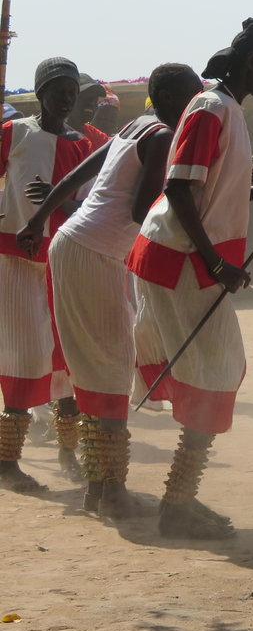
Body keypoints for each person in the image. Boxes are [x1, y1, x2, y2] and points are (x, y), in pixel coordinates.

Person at [125, 19, 253, 538]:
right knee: (217, 372)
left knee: (215, 372)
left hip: (190, 258)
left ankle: (179, 500)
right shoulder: (209, 107)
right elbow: (180, 190)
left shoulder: (226, 109)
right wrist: (217, 262)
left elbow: (218, 193)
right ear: (251, 63)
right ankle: (177, 505)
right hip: (181, 258)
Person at [17, 63, 204, 518]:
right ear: (176, 100)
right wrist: (196, 244)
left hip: (72, 244)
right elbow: (145, 209)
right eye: (194, 100)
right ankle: (110, 489)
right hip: (95, 253)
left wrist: (38, 222)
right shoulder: (160, 135)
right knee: (109, 364)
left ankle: (100, 487)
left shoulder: (133, 126)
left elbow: (76, 177)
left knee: (96, 364)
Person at [0, 57, 94, 491]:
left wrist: (61, 203)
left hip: (64, 263)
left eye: (72, 89)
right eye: (59, 88)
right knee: (24, 355)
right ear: (41, 92)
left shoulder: (84, 145)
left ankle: (68, 450)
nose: (68, 96)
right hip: (17, 261)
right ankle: (6, 461)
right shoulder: (16, 133)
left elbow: (92, 204)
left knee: (67, 358)